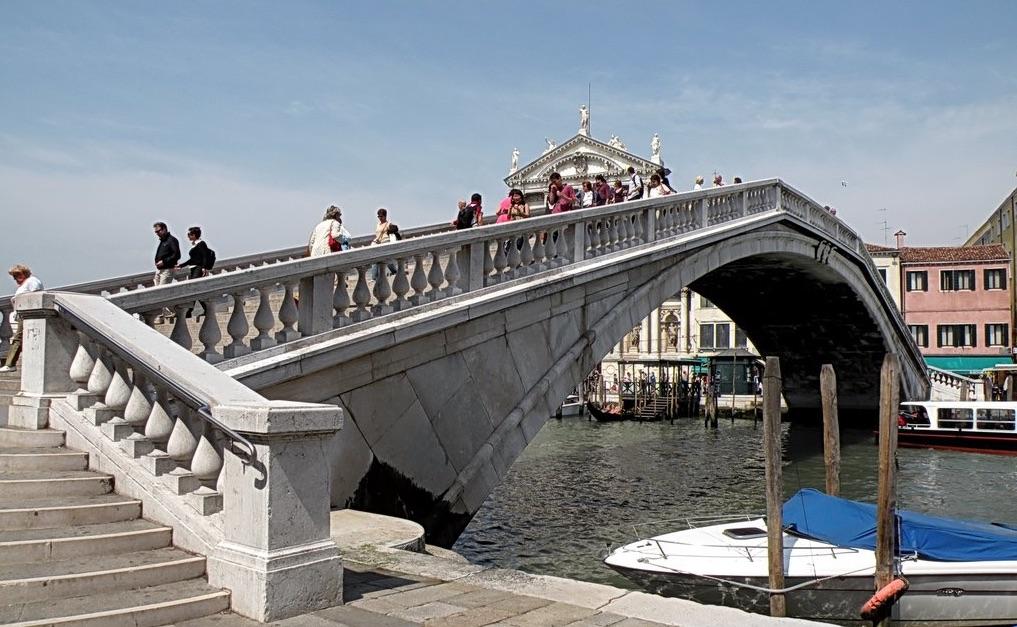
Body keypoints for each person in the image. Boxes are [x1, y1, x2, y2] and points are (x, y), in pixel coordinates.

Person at [1, 265, 44, 372]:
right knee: (20, 338)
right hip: (22, 315)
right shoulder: (26, 283)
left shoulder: (32, 281)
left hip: (28, 315)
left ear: (23, 274)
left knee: (18, 338)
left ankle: (10, 364)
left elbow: (36, 295)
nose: (15, 279)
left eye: (17, 276)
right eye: (14, 277)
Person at [153, 222, 181, 286]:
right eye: (156, 232)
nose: (157, 233)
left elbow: (177, 255)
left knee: (162, 292)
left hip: (167, 270)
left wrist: (164, 261)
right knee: (156, 291)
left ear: (164, 229)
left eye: (158, 231)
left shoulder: (172, 240)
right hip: (159, 270)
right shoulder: (163, 241)